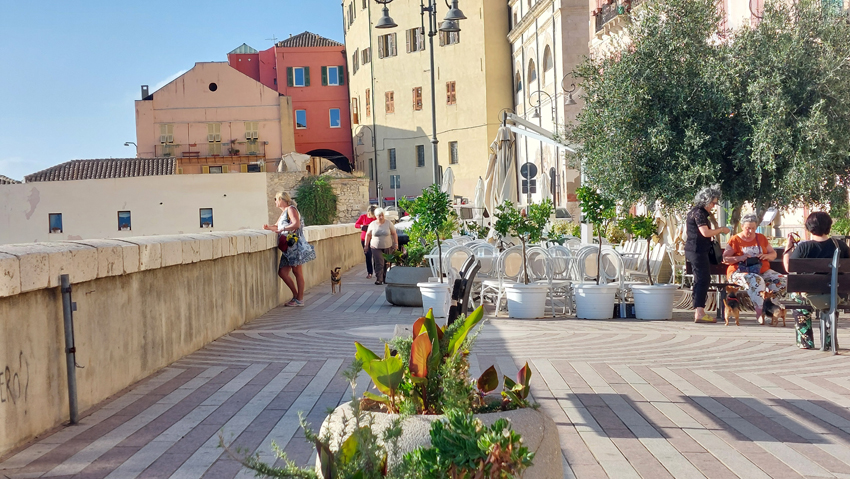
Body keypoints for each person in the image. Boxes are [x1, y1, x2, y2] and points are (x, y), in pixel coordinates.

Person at [782, 211, 850, 349]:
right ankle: (829, 341)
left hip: (808, 295)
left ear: (808, 227)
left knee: (798, 296)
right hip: (835, 295)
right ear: (829, 227)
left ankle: (805, 341)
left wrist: (788, 249)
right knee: (831, 298)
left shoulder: (803, 247)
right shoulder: (840, 246)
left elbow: (789, 268)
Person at [723, 213, 786, 324]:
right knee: (756, 280)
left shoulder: (761, 238)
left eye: (753, 228)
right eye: (748, 228)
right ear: (742, 227)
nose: (751, 231)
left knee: (782, 280)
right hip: (739, 272)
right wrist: (740, 257)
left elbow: (773, 254)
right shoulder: (735, 240)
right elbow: (725, 258)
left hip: (762, 270)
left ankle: (772, 307)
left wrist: (766, 256)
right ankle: (760, 311)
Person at [684, 185, 730, 323]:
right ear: (705, 200)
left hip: (696, 250)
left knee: (701, 279)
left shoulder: (697, 212)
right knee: (703, 279)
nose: (714, 205)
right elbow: (705, 232)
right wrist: (721, 229)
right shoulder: (699, 213)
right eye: (713, 202)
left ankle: (699, 311)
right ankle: (699, 312)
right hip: (697, 250)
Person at [263, 192, 316, 306]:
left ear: (282, 199)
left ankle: (299, 299)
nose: (275, 201)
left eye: (276, 199)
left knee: (297, 272)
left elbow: (296, 225)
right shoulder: (284, 212)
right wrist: (268, 227)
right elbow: (277, 226)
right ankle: (296, 296)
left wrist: (282, 229)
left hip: (294, 246)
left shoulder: (291, 209)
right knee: (282, 272)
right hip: (287, 248)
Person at [363, 208, 398, 285]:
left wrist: (396, 244)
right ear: (376, 216)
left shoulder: (388, 223)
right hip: (375, 247)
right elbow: (368, 235)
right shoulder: (372, 224)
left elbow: (394, 233)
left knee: (387, 263)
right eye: (379, 216)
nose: (381, 217)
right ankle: (379, 279)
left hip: (387, 246)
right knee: (379, 262)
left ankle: (385, 278)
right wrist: (366, 245)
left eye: (382, 215)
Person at [355, 205, 378, 279]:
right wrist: (362, 226)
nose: (372, 216)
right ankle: (370, 272)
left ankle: (377, 272)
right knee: (368, 256)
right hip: (364, 239)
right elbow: (356, 224)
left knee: (376, 256)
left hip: (374, 239)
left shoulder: (376, 218)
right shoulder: (363, 217)